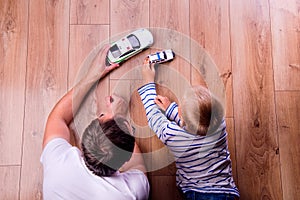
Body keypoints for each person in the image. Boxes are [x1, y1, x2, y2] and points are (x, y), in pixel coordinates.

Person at [40, 45, 150, 200]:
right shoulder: (132, 192)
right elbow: (137, 166)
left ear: (85, 140)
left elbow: (58, 117)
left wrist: (92, 75)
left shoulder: (57, 163)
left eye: (102, 116)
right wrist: (118, 117)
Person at [138, 59, 239, 200]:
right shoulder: (219, 123)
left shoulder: (172, 136)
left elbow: (154, 117)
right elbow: (197, 124)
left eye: (180, 107)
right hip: (225, 189)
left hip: (196, 191)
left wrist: (148, 81)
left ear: (183, 119)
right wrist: (170, 109)